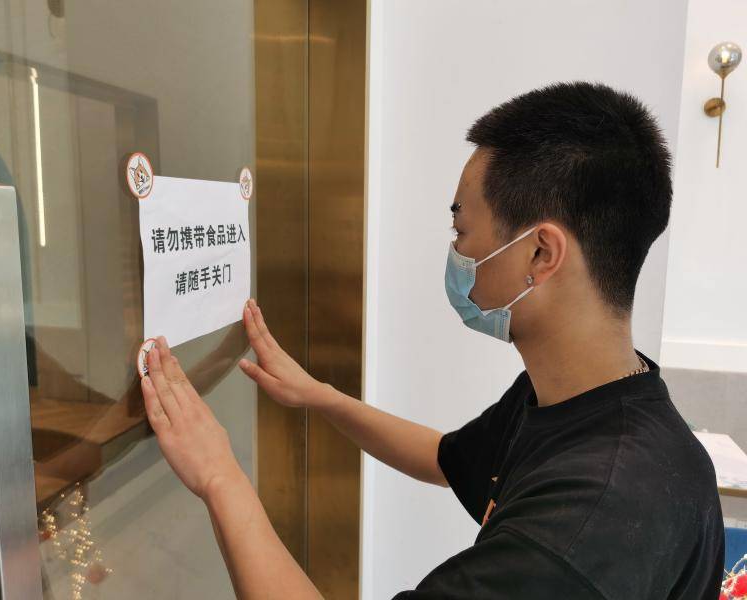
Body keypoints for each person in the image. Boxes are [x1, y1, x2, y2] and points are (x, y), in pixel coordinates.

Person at [140, 81, 725, 599]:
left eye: (461, 229)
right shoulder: (582, 394)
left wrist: (220, 477)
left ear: (540, 253)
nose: (457, 252)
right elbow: (446, 458)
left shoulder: (591, 522)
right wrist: (320, 396)